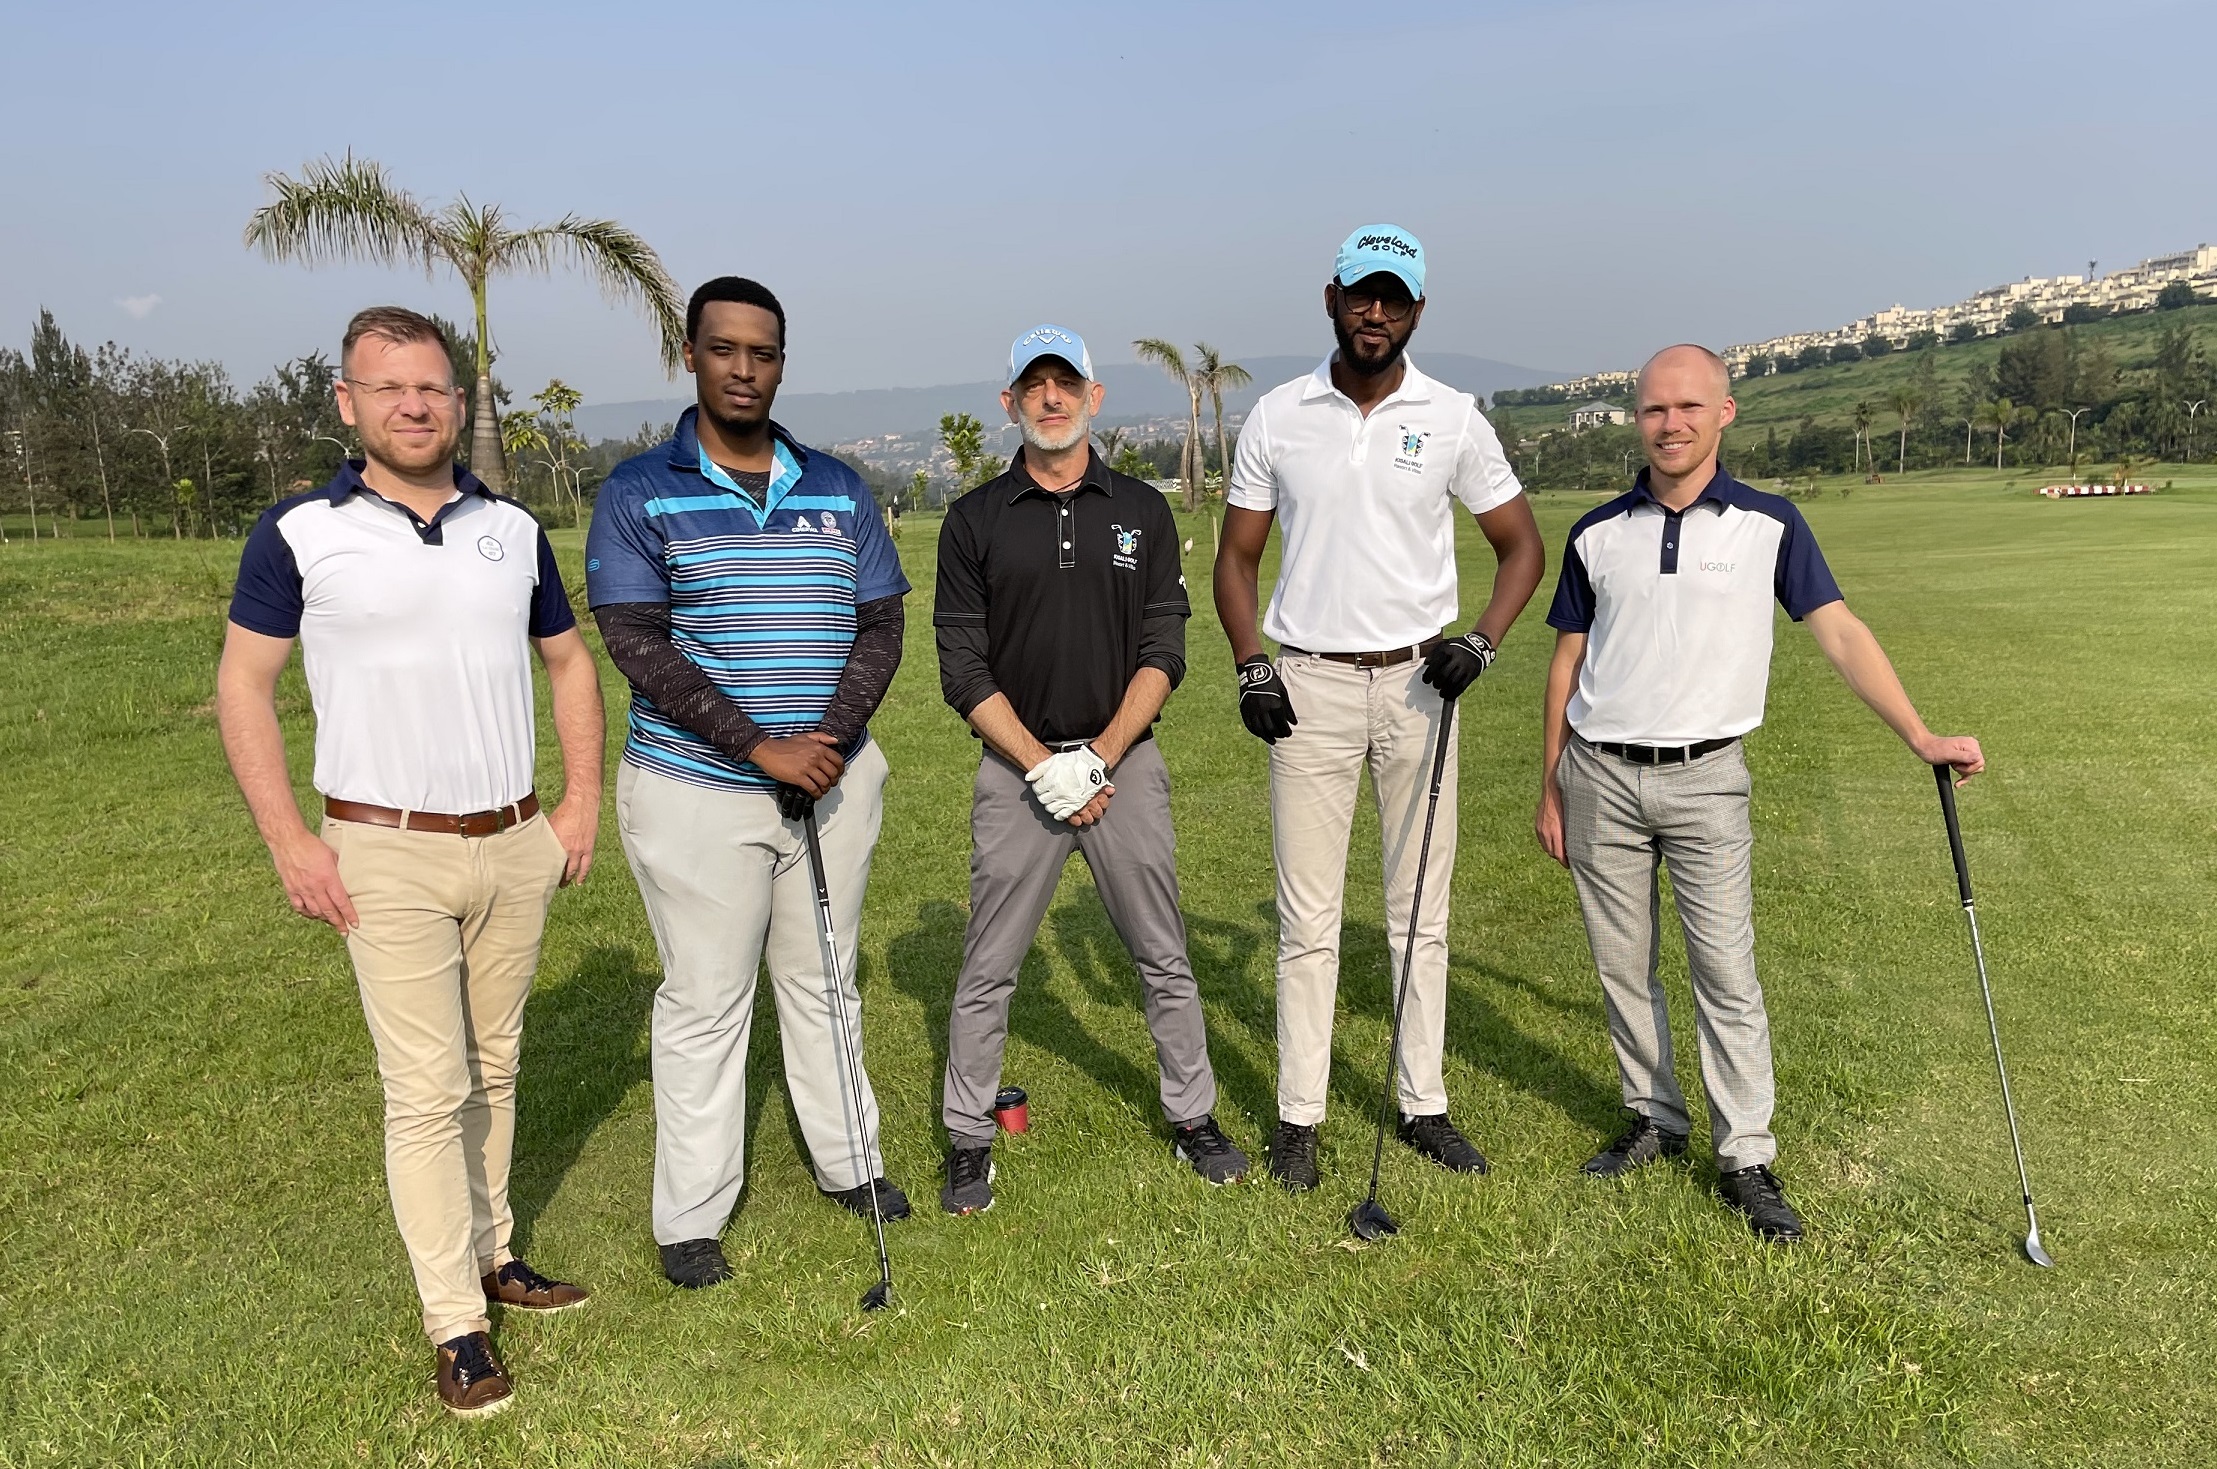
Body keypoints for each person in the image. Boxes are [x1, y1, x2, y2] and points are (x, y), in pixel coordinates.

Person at [216, 306, 603, 1418]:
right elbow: (244, 688)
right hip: (382, 850)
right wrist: (291, 838)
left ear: (460, 400)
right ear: (349, 402)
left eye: (432, 387)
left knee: (499, 1065)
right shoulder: (297, 534)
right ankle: (455, 1323)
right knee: (428, 1089)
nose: (415, 405)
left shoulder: (513, 530)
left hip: (514, 839)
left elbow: (569, 665)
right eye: (388, 389)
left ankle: (494, 1255)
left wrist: (578, 804)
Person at [1534, 344, 1985, 1241]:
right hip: (1599, 775)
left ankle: (1744, 1152)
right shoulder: (1596, 532)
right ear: (1637, 417)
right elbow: (1566, 661)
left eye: (1689, 407)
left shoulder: (1770, 524)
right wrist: (1549, 782)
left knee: (1724, 971)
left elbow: (1842, 635)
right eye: (1655, 409)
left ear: (1724, 414)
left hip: (1707, 779)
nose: (1671, 423)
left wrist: (1920, 734)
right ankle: (1653, 1120)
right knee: (1622, 967)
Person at [585, 277, 912, 1289]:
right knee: (707, 999)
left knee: (824, 977)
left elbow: (881, 623)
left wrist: (825, 738)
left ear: (780, 363)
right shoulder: (641, 490)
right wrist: (760, 746)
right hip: (696, 788)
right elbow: (635, 640)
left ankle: (848, 1162)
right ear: (691, 355)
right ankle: (691, 1213)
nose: (741, 366)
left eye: (760, 352)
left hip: (833, 780)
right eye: (722, 348)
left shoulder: (837, 485)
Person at [1215, 226, 1546, 1191]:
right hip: (1306, 683)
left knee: (1419, 915)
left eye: (1393, 299)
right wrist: (1250, 665)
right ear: (1330, 298)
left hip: (1419, 682)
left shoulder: (1451, 416)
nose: (1375, 313)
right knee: (1306, 919)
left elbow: (1518, 545)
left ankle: (1421, 1103)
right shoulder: (1278, 415)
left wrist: (1480, 640)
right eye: (1361, 294)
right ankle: (1299, 1117)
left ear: (1416, 312)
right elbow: (1236, 559)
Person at [933, 324, 1248, 1215]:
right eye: (1032, 385)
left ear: (1093, 396)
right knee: (988, 965)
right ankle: (967, 1136)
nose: (1050, 398)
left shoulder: (1141, 511)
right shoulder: (973, 520)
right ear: (1010, 404)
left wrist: (1099, 756)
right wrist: (1040, 766)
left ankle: (1194, 1118)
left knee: (1162, 954)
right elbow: (962, 669)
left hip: (1125, 768)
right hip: (1014, 770)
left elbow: (1164, 647)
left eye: (1065, 382)